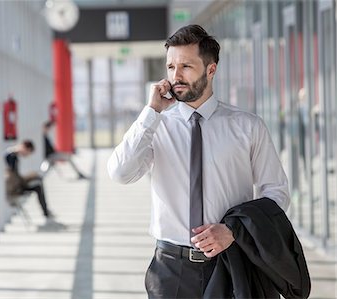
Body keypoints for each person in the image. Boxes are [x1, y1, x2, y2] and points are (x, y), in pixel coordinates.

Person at [107, 25, 295, 298]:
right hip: (171, 269)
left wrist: (233, 230)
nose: (175, 76)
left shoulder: (247, 126)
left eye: (186, 66)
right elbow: (120, 173)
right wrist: (151, 112)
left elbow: (276, 193)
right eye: (171, 66)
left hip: (233, 261)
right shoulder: (155, 125)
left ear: (211, 70)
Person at [5, 140, 53, 221]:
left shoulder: (13, 155)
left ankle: (46, 212)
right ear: (24, 148)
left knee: (38, 180)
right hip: (16, 188)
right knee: (38, 186)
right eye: (28, 152)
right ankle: (46, 212)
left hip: (16, 183)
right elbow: (14, 178)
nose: (26, 155)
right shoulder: (12, 156)